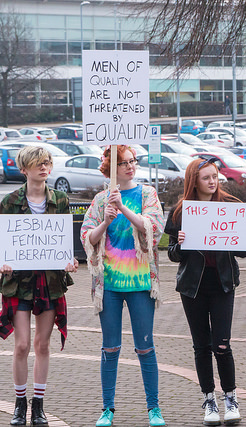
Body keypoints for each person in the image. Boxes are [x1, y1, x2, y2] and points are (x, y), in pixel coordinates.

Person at [165, 158, 246, 426]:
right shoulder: (181, 211)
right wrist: (182, 244)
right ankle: (209, 400)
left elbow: (239, 245)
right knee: (201, 346)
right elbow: (173, 254)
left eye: (215, 176)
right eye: (206, 178)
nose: (212, 182)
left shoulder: (229, 206)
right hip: (193, 287)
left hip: (223, 284)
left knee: (221, 345)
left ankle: (231, 398)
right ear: (194, 181)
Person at [80, 145, 165, 427]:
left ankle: (154, 408)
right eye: (124, 162)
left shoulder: (147, 194)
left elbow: (154, 229)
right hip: (109, 285)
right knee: (110, 348)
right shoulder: (100, 199)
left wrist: (123, 207)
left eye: (133, 161)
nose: (130, 166)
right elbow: (87, 237)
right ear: (111, 168)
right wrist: (105, 221)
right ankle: (107, 409)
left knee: (145, 347)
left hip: (141, 283)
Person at [0, 146, 79, 426]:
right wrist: (3, 262)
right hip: (18, 281)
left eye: (47, 163)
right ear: (24, 170)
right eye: (38, 164)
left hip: (49, 279)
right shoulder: (10, 201)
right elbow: (3, 242)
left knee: (42, 344)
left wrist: (70, 260)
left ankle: (39, 406)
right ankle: (19, 404)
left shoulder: (60, 199)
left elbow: (64, 241)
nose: (44, 168)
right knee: (21, 345)